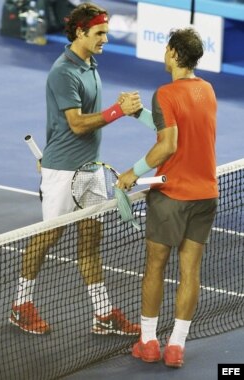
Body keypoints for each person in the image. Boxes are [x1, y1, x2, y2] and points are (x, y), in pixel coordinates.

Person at [9, 2, 142, 336]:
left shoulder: (89, 63)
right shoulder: (62, 72)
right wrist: (118, 111)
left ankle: (103, 314)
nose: (105, 39)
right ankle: (21, 306)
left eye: (105, 32)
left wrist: (117, 110)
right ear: (81, 32)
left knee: (90, 241)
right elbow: (77, 125)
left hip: (89, 169)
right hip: (63, 172)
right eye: (99, 33)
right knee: (47, 237)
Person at [117, 27, 218, 367]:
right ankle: (175, 346)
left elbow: (169, 144)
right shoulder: (207, 90)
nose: (164, 54)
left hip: (171, 196)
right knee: (191, 271)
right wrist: (141, 115)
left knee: (155, 267)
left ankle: (148, 342)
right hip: (205, 195)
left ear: (175, 54)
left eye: (166, 49)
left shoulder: (165, 92)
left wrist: (133, 172)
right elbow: (178, 129)